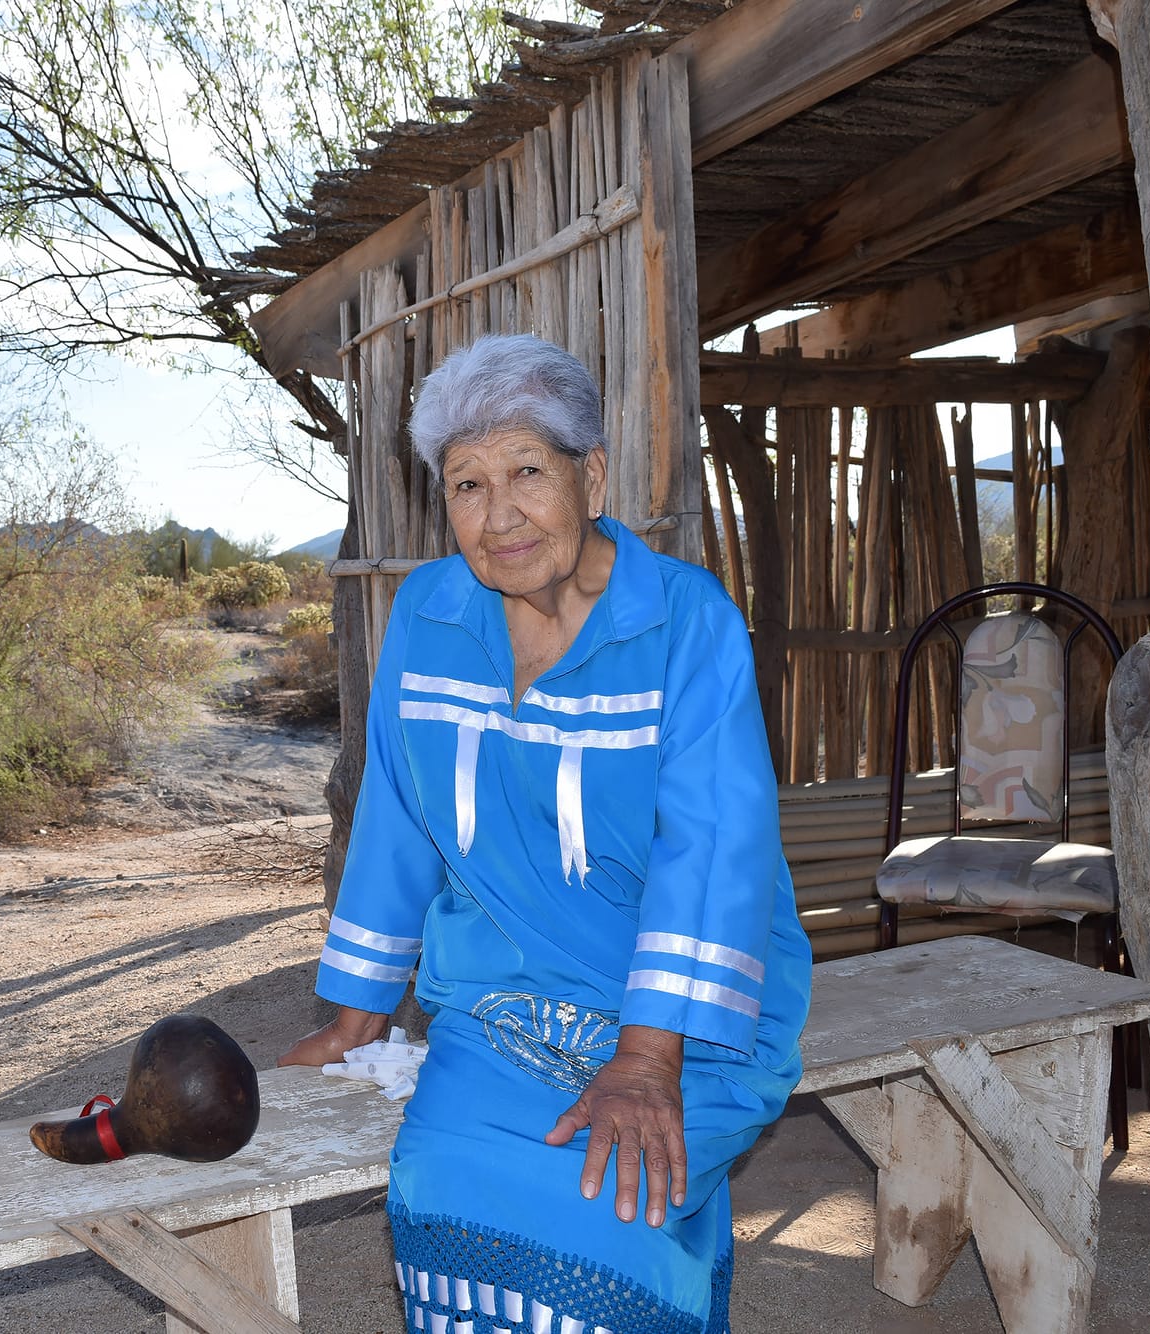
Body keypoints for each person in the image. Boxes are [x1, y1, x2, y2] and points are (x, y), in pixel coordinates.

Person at [280, 333, 810, 1334]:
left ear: (590, 474)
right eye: (467, 484)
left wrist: (647, 1057)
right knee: (447, 1169)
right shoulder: (428, 616)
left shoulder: (681, 624)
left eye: (527, 470)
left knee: (613, 1201)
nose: (500, 512)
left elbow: (715, 849)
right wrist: (356, 1014)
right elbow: (393, 814)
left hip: (688, 1007)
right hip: (501, 998)